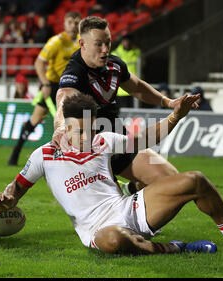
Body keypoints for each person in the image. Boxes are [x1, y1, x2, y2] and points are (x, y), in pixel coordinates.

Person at [0, 92, 223, 254]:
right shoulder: (43, 155)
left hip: (130, 209)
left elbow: (146, 140)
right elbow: (16, 190)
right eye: (79, 132)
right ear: (64, 129)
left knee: (196, 180)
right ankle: (176, 248)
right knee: (112, 240)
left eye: (89, 130)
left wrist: (175, 116)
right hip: (96, 230)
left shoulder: (103, 141)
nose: (86, 137)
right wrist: (6, 201)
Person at [55, 16, 189, 196]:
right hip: (89, 150)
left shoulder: (115, 65)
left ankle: (131, 189)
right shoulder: (74, 73)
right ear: (83, 44)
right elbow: (64, 98)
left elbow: (138, 87)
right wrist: (62, 127)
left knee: (172, 181)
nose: (105, 50)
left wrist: (169, 102)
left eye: (108, 43)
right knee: (114, 211)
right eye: (98, 44)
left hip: (117, 138)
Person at [7, 11, 82, 166]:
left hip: (71, 87)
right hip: (53, 86)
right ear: (64, 24)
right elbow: (39, 63)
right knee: (35, 120)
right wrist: (45, 84)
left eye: (76, 22)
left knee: (67, 122)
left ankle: (66, 156)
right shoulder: (56, 42)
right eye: (70, 22)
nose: (73, 26)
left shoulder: (82, 42)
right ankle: (15, 154)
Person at [111, 34, 141, 108]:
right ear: (122, 42)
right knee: (122, 115)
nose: (127, 43)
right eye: (125, 41)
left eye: (128, 41)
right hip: (121, 90)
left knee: (134, 115)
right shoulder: (115, 54)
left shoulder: (137, 52)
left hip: (134, 89)